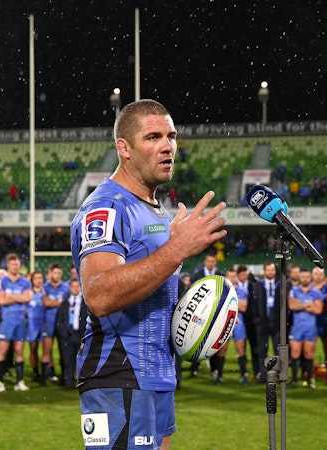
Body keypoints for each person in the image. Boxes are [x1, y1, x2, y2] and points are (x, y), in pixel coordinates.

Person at [70, 99, 226, 449]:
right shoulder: (107, 207)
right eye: (153, 137)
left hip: (156, 375)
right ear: (124, 148)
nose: (167, 146)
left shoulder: (155, 210)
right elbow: (99, 294)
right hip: (118, 376)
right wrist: (176, 250)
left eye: (171, 136)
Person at [0, 253, 32, 392]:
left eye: (17, 264)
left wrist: (10, 295)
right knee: (2, 351)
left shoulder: (25, 282)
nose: (15, 267)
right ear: (7, 265)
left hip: (20, 320)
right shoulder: (2, 281)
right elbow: (1, 300)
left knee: (19, 351)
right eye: (12, 264)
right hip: (6, 321)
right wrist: (19, 297)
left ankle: (19, 381)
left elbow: (27, 298)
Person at [191, 252, 224, 378]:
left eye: (213, 261)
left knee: (213, 340)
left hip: (215, 314)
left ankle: (214, 368)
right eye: (209, 261)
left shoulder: (220, 275)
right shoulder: (198, 275)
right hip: (201, 313)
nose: (211, 263)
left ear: (215, 262)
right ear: (205, 262)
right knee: (196, 339)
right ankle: (194, 368)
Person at [288, 268, 323, 388]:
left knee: (309, 353)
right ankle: (294, 380)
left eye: (307, 277)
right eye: (303, 277)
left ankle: (309, 380)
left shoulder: (316, 293)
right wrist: (307, 305)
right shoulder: (294, 291)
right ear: (299, 278)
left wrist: (300, 305)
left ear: (310, 278)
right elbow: (291, 305)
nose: (305, 279)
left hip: (310, 327)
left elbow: (318, 309)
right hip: (297, 327)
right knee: (295, 352)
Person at [251, 262, 281, 382]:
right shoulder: (258, 286)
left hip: (276, 323)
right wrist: (257, 320)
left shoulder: (280, 285)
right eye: (268, 270)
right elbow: (253, 305)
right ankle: (263, 374)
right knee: (262, 350)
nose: (270, 272)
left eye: (272, 270)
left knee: (278, 350)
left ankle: (280, 374)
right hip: (262, 323)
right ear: (264, 271)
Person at [55, 279, 87, 389]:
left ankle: (82, 383)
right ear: (70, 288)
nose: (75, 288)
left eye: (77, 286)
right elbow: (59, 320)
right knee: (67, 360)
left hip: (80, 335)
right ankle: (69, 383)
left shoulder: (85, 303)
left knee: (82, 359)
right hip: (67, 336)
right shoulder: (65, 302)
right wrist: (63, 333)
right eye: (73, 286)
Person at [41, 263, 69, 384]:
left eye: (59, 273)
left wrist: (53, 302)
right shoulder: (44, 287)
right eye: (55, 272)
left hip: (62, 323)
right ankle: (46, 376)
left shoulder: (66, 288)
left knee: (64, 350)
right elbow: (46, 302)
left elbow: (67, 303)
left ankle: (64, 376)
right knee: (47, 350)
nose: (57, 275)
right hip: (48, 322)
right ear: (50, 273)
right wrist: (60, 302)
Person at [311, 267, 327, 385]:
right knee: (310, 349)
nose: (318, 276)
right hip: (312, 322)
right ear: (312, 275)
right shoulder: (308, 288)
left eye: (320, 274)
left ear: (323, 276)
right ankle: (311, 376)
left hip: (326, 322)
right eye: (316, 274)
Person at [236, 264, 259, 378]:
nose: (244, 276)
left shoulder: (252, 285)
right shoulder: (234, 287)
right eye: (242, 274)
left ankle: (256, 371)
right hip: (240, 320)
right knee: (241, 347)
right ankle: (243, 371)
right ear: (238, 275)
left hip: (251, 321)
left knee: (254, 347)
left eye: (245, 274)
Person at [26, 271, 46, 384]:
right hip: (32, 324)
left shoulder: (45, 291)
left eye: (40, 278)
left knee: (46, 349)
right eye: (36, 278)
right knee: (33, 349)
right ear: (32, 280)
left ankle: (46, 372)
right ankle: (35, 372)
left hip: (44, 323)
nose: (38, 280)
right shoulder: (28, 292)